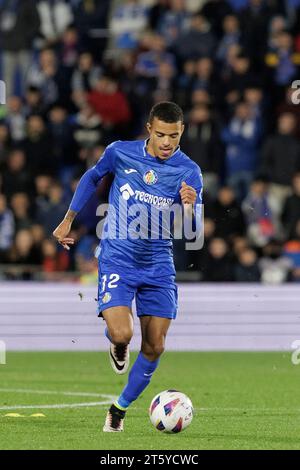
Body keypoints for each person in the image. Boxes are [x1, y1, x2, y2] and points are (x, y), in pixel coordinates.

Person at [52, 101, 203, 432]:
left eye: (174, 136)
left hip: (158, 263)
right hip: (118, 255)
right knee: (123, 334)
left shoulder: (189, 171)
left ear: (182, 133)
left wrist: (190, 207)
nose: (167, 143)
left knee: (155, 345)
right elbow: (93, 177)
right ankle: (115, 341)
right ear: (150, 128)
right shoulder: (120, 152)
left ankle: (118, 409)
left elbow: (194, 230)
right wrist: (68, 220)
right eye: (161, 134)